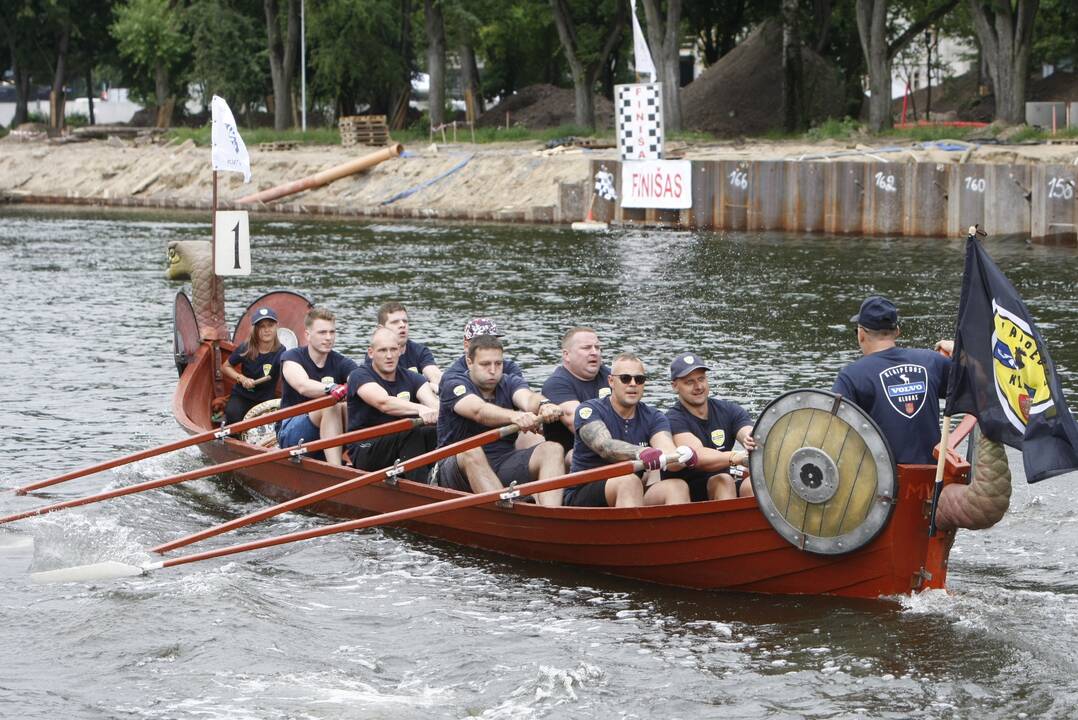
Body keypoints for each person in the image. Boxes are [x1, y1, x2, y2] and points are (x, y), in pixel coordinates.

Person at [433, 335, 566, 506]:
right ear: (469, 362)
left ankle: (549, 518)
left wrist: (544, 405)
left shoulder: (509, 382)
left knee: (553, 449)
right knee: (471, 449)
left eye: (498, 364)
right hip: (453, 468)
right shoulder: (454, 383)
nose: (493, 370)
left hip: (500, 462)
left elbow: (527, 398)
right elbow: (478, 411)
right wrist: (514, 416)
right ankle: (507, 515)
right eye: (485, 364)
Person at [565, 353, 697, 508]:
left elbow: (666, 451)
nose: (633, 384)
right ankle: (632, 531)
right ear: (611, 381)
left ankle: (673, 532)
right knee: (629, 481)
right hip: (584, 492)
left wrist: (680, 457)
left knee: (677, 487)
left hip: (631, 492)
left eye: (639, 379)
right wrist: (641, 452)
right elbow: (605, 447)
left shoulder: (654, 417)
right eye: (625, 378)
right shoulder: (588, 409)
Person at [832, 295, 951, 464]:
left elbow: (833, 433)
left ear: (861, 334)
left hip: (882, 483)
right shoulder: (932, 361)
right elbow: (978, 385)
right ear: (897, 331)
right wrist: (958, 355)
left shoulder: (851, 376)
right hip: (933, 480)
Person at [346, 327, 439, 480]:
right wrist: (421, 409)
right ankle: (420, 488)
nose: (389, 356)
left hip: (400, 445)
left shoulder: (413, 377)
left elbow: (433, 403)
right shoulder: (359, 375)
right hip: (366, 450)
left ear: (400, 351)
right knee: (411, 429)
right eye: (382, 350)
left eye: (393, 350)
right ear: (371, 353)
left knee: (437, 432)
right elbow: (383, 402)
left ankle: (442, 478)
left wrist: (441, 412)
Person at [666, 353, 757, 501]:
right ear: (675, 386)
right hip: (689, 490)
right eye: (689, 382)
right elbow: (697, 455)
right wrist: (735, 457)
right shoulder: (672, 419)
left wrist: (752, 438)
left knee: (754, 484)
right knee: (724, 480)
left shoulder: (729, 410)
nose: (698, 387)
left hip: (723, 479)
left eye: (701, 379)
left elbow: (748, 433)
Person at [277, 307, 358, 465]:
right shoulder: (291, 358)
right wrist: (332, 389)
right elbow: (303, 386)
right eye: (322, 333)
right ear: (307, 335)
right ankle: (336, 470)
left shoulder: (342, 362)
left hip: (331, 427)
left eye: (332, 332)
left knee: (349, 405)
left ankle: (358, 459)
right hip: (290, 432)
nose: (328, 338)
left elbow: (359, 381)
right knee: (330, 404)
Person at [540, 327, 611, 454]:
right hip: (576, 456)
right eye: (586, 348)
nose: (594, 352)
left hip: (613, 445)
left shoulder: (610, 375)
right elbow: (579, 423)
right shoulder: (556, 384)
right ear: (566, 355)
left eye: (597, 347)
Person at [220, 307, 285, 425]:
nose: (266, 330)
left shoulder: (282, 351)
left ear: (276, 327)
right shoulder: (246, 348)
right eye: (262, 326)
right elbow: (225, 367)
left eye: (270, 325)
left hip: (266, 400)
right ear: (255, 329)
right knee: (233, 416)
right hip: (243, 396)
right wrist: (242, 378)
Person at [370, 301, 443, 392]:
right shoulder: (375, 355)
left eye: (405, 321)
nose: (402, 325)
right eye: (395, 322)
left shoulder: (420, 351)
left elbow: (434, 374)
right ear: (381, 328)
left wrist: (440, 386)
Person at [442, 317, 525, 381]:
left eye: (492, 340)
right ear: (466, 345)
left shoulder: (510, 368)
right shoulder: (453, 376)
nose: (487, 345)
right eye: (480, 342)